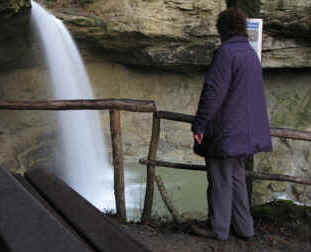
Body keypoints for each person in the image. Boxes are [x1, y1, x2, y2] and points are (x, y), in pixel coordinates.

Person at [191, 8, 273, 241]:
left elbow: (213, 93)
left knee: (220, 180)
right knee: (236, 179)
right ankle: (244, 228)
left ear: (222, 29)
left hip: (226, 131)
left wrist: (200, 125)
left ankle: (218, 229)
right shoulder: (249, 53)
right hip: (246, 132)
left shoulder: (226, 53)